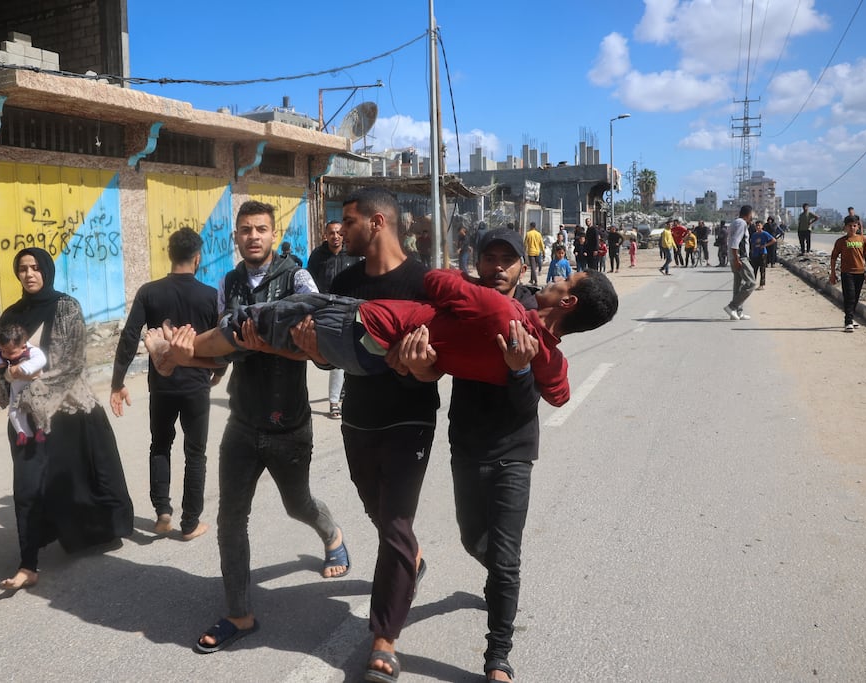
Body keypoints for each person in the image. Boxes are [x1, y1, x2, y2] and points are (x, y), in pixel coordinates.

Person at [400, 232, 617, 683]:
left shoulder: (534, 327)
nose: (497, 266)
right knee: (470, 540)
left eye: (508, 259)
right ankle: (500, 580)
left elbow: (542, 396)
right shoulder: (472, 300)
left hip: (513, 453)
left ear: (522, 266)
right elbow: (437, 356)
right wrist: (420, 366)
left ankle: (498, 655)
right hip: (466, 443)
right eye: (489, 257)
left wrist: (520, 369)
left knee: (505, 558)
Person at [193, 200, 349, 655]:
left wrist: (271, 345)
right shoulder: (229, 282)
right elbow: (224, 343)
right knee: (229, 518)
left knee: (296, 504)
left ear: (274, 233)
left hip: (289, 423)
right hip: (243, 420)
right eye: (245, 230)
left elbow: (318, 348)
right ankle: (239, 612)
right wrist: (202, 362)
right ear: (235, 237)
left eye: (261, 229)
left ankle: (331, 534)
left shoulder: (298, 278)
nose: (253, 236)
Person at [153, 253, 616, 393]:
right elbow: (559, 393)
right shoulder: (540, 358)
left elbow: (435, 281)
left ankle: (178, 353)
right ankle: (184, 354)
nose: (555, 278)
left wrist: (470, 281)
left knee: (257, 322)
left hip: (363, 325)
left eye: (565, 279)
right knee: (276, 342)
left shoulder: (503, 312)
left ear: (569, 300)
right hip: (369, 357)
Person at [316, 187, 441, 683]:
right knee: (377, 512)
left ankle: (384, 639)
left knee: (393, 522)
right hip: (359, 417)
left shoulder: (424, 281)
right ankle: (413, 556)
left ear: (378, 223)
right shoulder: (344, 280)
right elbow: (331, 352)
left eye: (348, 221)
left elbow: (442, 360)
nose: (339, 230)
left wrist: (424, 364)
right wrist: (315, 349)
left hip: (410, 418)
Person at [0, 247, 134, 590]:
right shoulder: (11, 316)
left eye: (36, 267)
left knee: (76, 481)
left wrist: (29, 384)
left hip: (69, 411)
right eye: (23, 268)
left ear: (47, 271)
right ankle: (28, 564)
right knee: (27, 488)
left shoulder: (67, 306)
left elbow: (72, 363)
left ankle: (88, 534)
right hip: (26, 418)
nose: (29, 274)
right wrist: (7, 380)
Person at [109, 228, 218, 539]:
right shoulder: (210, 296)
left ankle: (163, 513)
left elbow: (130, 336)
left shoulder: (149, 292)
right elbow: (220, 346)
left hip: (162, 385)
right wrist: (219, 373)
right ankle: (191, 523)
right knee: (195, 452)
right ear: (198, 258)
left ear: (170, 256)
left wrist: (118, 382)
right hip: (197, 384)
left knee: (160, 445)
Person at [307, 220, 362, 419]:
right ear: (325, 235)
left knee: (352, 353)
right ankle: (333, 402)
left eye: (339, 233)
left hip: (351, 310)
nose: (336, 236)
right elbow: (309, 283)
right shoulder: (317, 257)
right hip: (326, 311)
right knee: (338, 358)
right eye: (332, 233)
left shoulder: (354, 255)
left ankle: (343, 392)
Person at [0, 323, 47, 446]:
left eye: (11, 352)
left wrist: (23, 368)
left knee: (38, 408)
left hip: (34, 386)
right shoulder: (3, 353)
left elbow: (41, 360)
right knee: (14, 411)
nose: (6, 355)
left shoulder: (32, 352)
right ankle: (22, 432)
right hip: (16, 386)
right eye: (4, 351)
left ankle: (40, 429)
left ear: (23, 347)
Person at [829, 215, 866, 332]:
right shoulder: (841, 241)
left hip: (860, 273)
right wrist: (833, 273)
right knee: (850, 296)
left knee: (856, 297)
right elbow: (833, 257)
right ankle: (848, 321)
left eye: (854, 225)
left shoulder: (863, 240)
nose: (852, 228)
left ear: (858, 226)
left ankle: (852, 318)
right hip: (847, 273)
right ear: (845, 227)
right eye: (849, 226)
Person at [724, 205, 757, 320]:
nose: (752, 217)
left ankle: (738, 312)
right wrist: (737, 259)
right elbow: (735, 242)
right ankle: (731, 306)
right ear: (748, 214)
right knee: (751, 283)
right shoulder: (741, 223)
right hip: (740, 258)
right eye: (752, 215)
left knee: (739, 286)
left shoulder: (737, 222)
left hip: (736, 257)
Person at [748, 221, 776, 290]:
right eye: (756, 226)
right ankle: (753, 284)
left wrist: (765, 245)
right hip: (755, 254)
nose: (758, 227)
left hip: (763, 253)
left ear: (762, 226)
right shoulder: (754, 235)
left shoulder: (765, 234)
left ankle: (761, 285)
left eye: (759, 226)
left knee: (762, 269)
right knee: (754, 270)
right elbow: (752, 244)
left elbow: (773, 240)